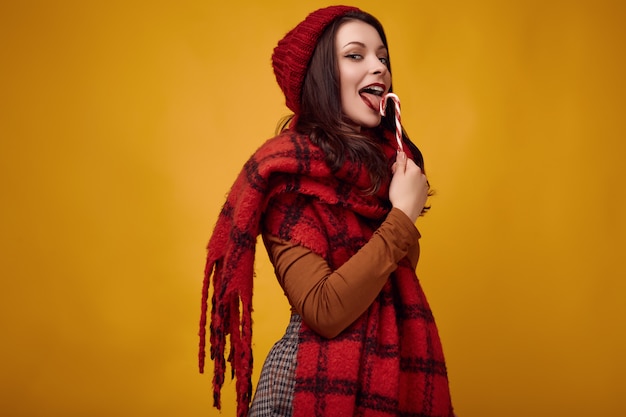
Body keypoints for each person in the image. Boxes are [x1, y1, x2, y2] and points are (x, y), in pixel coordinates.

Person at [198, 5, 454, 417]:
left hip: (390, 376)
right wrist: (401, 218)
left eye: (383, 57)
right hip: (306, 387)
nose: (379, 68)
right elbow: (324, 310)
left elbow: (384, 287)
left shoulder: (383, 173)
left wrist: (398, 208)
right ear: (321, 76)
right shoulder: (285, 177)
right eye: (356, 55)